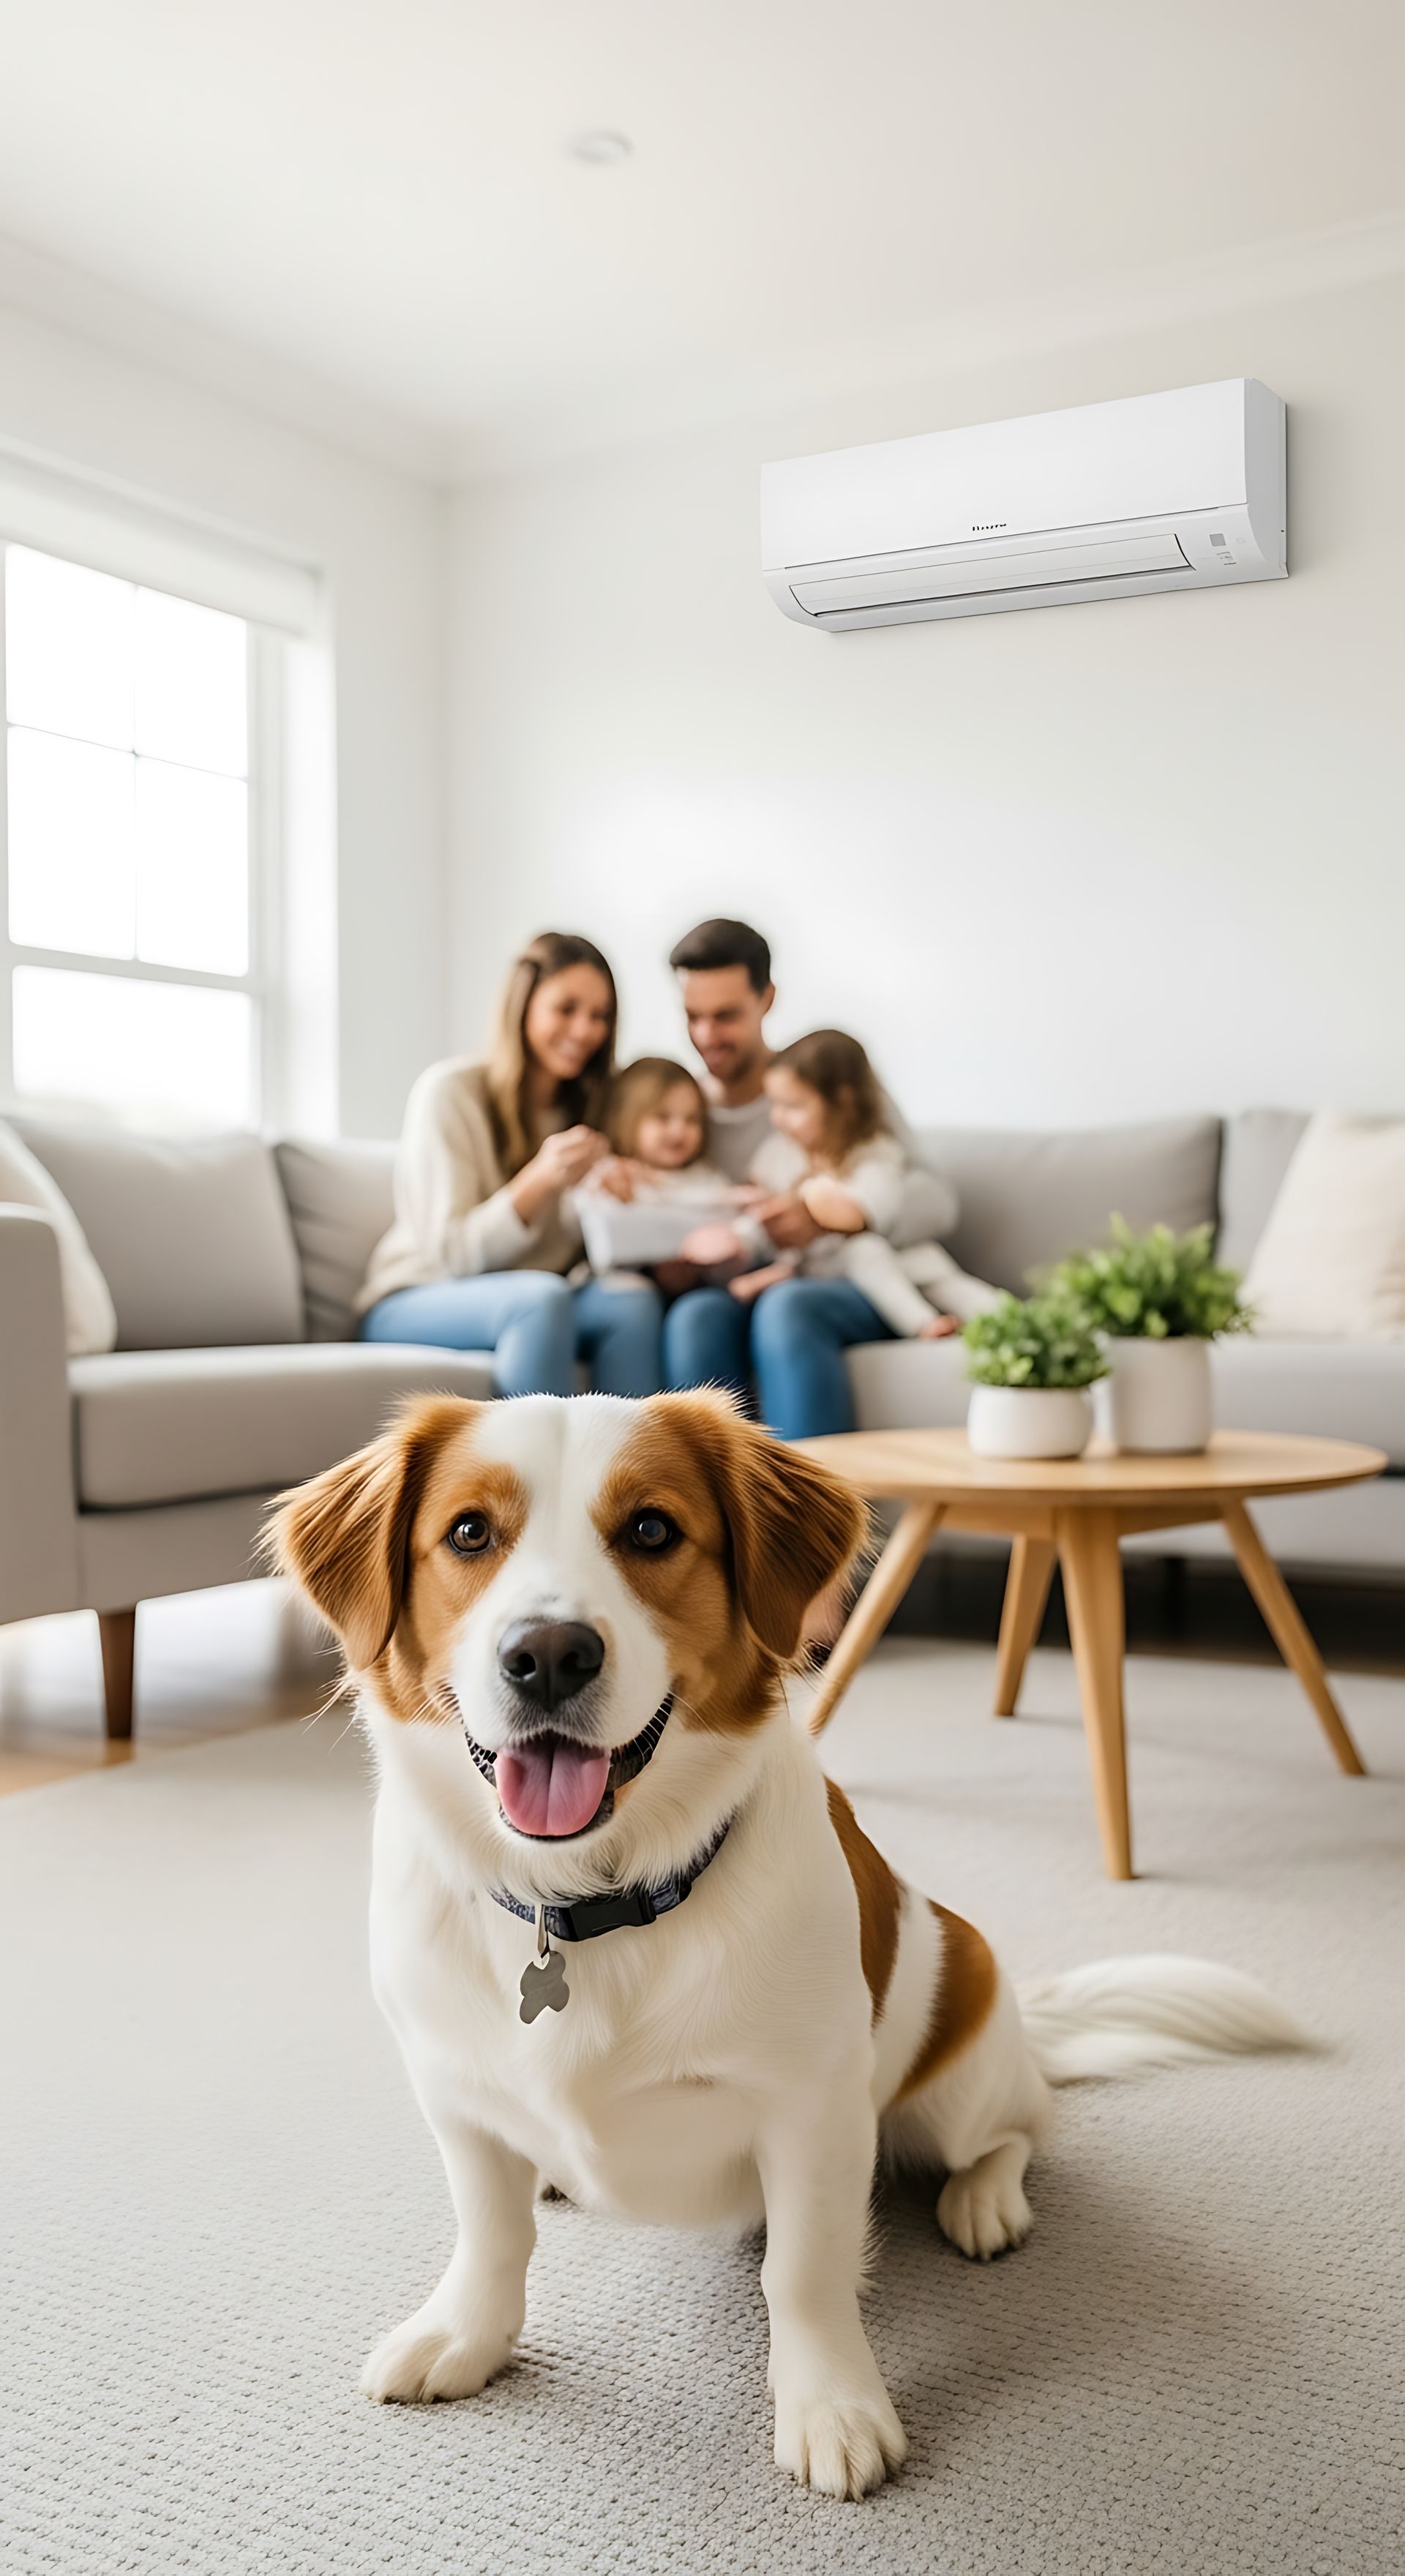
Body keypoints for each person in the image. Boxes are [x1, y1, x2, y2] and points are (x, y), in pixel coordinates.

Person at [663, 918, 962, 1436]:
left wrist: (829, 1217)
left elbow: (937, 1201)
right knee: (694, 1317)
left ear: (768, 999)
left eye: (726, 1016)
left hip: (830, 1281)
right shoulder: (676, 1112)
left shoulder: (825, 1082)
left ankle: (814, 1516)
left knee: (787, 1307)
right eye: (694, 1017)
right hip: (740, 1286)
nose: (707, 1036)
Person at [357, 932, 663, 1397]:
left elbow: (585, 1250)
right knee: (540, 1302)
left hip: (547, 1293)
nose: (585, 1031)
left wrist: (623, 1203)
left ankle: (642, 1473)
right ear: (523, 1006)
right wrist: (541, 1179)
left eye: (600, 1016)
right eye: (566, 1009)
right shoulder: (451, 1092)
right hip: (418, 1293)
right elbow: (454, 1255)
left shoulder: (597, 1107)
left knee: (633, 1305)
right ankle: (537, 1474)